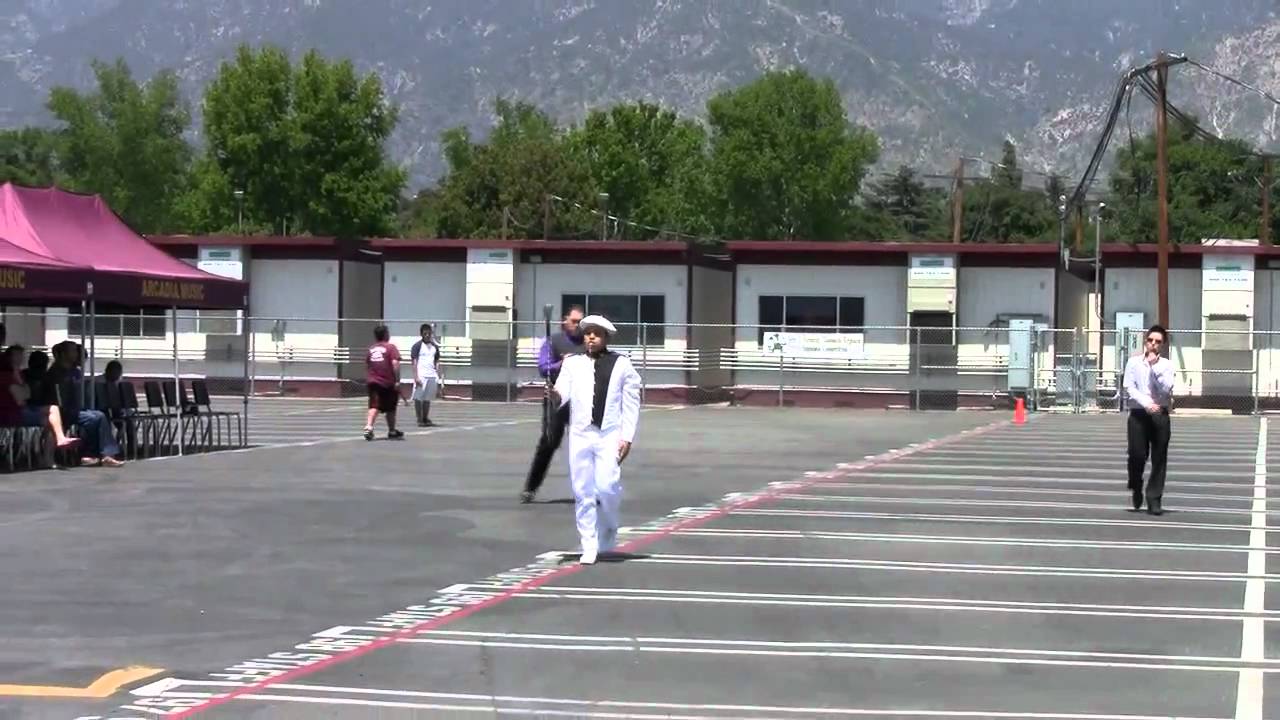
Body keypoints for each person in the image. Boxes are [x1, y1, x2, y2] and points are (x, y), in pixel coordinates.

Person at [550, 314, 642, 565]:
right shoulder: (573, 364)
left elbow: (631, 403)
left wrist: (627, 437)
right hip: (580, 434)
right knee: (582, 491)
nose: (591, 336)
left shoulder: (621, 364)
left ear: (605, 337)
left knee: (607, 486)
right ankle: (588, 543)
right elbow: (562, 394)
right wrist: (554, 394)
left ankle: (610, 525)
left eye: (597, 333)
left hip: (608, 434)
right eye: (588, 332)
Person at [521, 305, 586, 503]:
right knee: (549, 442)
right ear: (565, 321)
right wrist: (561, 363)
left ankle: (585, 490)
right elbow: (543, 368)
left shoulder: (588, 342)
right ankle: (531, 488)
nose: (578, 325)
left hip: (580, 400)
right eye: (574, 321)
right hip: (556, 399)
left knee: (584, 445)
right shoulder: (553, 341)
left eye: (580, 322)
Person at [1123, 324, 1174, 516]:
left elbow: (1166, 389)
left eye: (1158, 342)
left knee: (1159, 458)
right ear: (1145, 341)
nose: (1153, 344)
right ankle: (1136, 484)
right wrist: (1146, 403)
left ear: (1163, 345)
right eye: (1150, 340)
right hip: (1138, 413)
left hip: (1159, 414)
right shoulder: (1133, 362)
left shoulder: (1166, 366)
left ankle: (1154, 499)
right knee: (1137, 455)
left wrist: (1154, 369)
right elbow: (1129, 387)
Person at [363, 324, 404, 441]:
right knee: (390, 407)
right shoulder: (391, 347)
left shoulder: (371, 349)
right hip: (387, 382)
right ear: (386, 335)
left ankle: (369, 426)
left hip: (373, 382)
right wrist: (397, 381)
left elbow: (368, 365)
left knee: (374, 405)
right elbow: (395, 364)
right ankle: (391, 430)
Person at [410, 324, 441, 427]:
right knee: (418, 398)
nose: (427, 335)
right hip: (421, 376)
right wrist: (416, 377)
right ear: (421, 334)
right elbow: (414, 362)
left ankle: (425, 418)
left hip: (431, 376)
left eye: (429, 333)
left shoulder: (434, 347)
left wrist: (437, 375)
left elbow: (436, 361)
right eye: (425, 333)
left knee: (427, 399)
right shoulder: (417, 346)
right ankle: (419, 419)